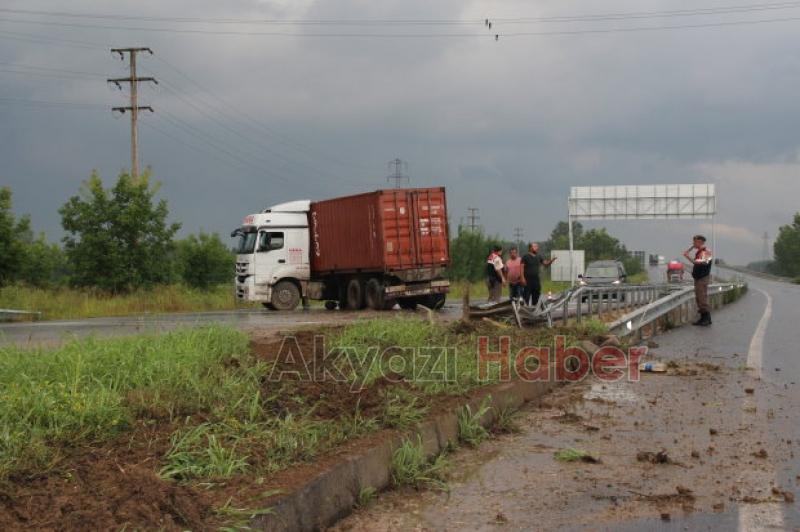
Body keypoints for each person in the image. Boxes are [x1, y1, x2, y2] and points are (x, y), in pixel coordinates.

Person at [683, 234, 713, 326]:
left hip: (702, 278)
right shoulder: (699, 252)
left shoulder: (706, 251)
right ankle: (702, 318)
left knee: (702, 298)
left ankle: (707, 319)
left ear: (699, 242)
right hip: (698, 278)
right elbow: (697, 263)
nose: (693, 243)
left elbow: (703, 262)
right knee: (699, 298)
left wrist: (688, 256)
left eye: (694, 241)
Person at [521, 242, 556, 307]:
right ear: (531, 248)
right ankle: (526, 311)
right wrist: (522, 278)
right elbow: (521, 267)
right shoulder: (525, 256)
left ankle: (534, 310)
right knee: (526, 297)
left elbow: (545, 264)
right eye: (535, 246)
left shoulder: (539, 256)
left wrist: (551, 260)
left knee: (536, 296)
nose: (537, 248)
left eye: (537, 246)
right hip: (527, 280)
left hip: (536, 280)